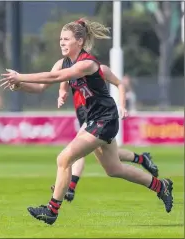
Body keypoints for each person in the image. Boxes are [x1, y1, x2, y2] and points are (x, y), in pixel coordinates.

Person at [0, 18, 173, 225]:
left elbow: (53, 78)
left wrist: (21, 76)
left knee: (64, 159)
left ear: (79, 41)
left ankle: (51, 211)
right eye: (60, 39)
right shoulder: (63, 62)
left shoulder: (87, 63)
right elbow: (39, 88)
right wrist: (19, 86)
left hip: (105, 119)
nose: (62, 43)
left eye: (66, 39)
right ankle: (160, 186)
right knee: (114, 169)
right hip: (95, 119)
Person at [51, 70, 158, 203]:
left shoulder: (95, 67)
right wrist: (62, 91)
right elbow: (58, 79)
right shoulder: (70, 68)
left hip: (100, 116)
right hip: (85, 114)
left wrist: (123, 106)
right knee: (111, 161)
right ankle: (142, 159)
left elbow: (119, 84)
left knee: (75, 152)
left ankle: (70, 188)